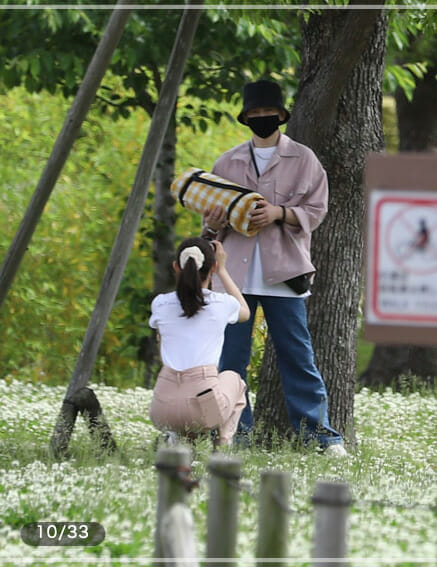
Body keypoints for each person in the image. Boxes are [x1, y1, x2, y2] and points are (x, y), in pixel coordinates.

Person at [202, 79, 347, 455]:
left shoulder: (304, 159)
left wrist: (279, 212)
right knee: (231, 360)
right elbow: (209, 226)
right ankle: (235, 435)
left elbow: (318, 210)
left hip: (284, 275)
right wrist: (213, 221)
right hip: (232, 278)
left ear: (282, 116)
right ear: (246, 118)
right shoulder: (227, 161)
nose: (262, 118)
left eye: (269, 113)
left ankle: (320, 436)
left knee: (297, 355)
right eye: (255, 114)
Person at [149, 237, 250, 446]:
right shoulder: (221, 303)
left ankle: (178, 437)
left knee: (185, 395)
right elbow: (245, 312)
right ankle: (223, 442)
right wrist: (223, 270)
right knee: (234, 380)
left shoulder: (160, 303)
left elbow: (162, 343)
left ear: (176, 267)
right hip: (202, 410)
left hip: (161, 410)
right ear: (212, 267)